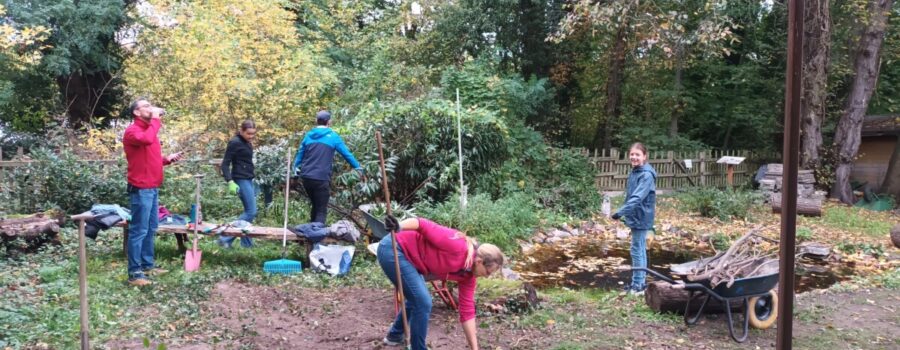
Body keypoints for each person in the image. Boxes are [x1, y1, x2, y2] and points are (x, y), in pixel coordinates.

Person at [378, 215, 505, 350]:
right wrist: (399, 225)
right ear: (479, 262)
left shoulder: (468, 276)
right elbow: (422, 224)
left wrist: (475, 348)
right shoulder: (457, 246)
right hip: (394, 248)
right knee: (422, 301)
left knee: (418, 297)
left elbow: (467, 312)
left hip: (412, 261)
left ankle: (394, 336)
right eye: (487, 273)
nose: (486, 277)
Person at [122, 98, 183, 286]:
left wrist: (167, 159)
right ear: (136, 113)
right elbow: (146, 139)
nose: (151, 108)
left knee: (150, 229)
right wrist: (156, 118)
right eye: (146, 106)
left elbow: (150, 156)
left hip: (152, 188)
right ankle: (134, 274)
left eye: (151, 105)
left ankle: (148, 266)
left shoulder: (149, 131)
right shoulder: (133, 131)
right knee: (138, 231)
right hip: (141, 189)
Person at [292, 110, 364, 224]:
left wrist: (294, 173)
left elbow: (299, 156)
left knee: (316, 205)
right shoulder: (333, 137)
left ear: (316, 121)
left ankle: (311, 234)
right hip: (321, 178)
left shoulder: (308, 136)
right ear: (329, 122)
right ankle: (316, 239)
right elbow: (346, 154)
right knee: (321, 210)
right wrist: (359, 168)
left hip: (306, 177)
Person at [611, 142, 657, 295]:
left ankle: (638, 286)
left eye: (637, 154)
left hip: (641, 216)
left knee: (636, 250)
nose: (634, 157)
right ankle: (639, 283)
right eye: (632, 154)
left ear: (644, 156)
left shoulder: (646, 175)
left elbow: (637, 198)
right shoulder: (636, 171)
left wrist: (620, 212)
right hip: (637, 215)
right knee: (639, 248)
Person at [218, 119, 258, 248]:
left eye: (253, 134)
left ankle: (246, 243)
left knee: (249, 210)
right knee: (251, 211)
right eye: (248, 134)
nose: (251, 137)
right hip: (240, 179)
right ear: (241, 131)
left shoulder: (247, 142)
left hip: (248, 178)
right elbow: (224, 164)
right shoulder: (235, 142)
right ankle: (225, 238)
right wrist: (230, 181)